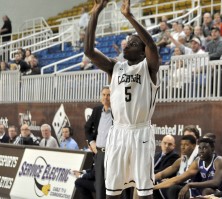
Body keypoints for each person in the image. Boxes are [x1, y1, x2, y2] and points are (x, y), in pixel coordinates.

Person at [84, 0, 160, 198]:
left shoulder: (149, 68)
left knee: (144, 192)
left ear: (143, 51)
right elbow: (89, 51)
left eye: (134, 43)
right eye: (127, 42)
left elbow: (151, 44)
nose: (127, 45)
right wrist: (95, 14)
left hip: (140, 132)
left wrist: (129, 16)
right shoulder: (114, 66)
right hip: (118, 133)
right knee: (112, 191)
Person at [155, 138, 222, 199]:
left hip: (218, 191)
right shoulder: (198, 161)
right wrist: (154, 187)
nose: (201, 150)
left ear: (212, 149)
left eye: (205, 148)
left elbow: (215, 183)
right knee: (175, 189)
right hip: (201, 188)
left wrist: (190, 184)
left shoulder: (219, 160)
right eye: (200, 148)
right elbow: (179, 179)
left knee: (207, 191)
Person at [85, 86, 112, 199]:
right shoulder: (96, 110)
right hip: (100, 153)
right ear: (101, 97)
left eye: (108, 95)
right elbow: (87, 127)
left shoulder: (118, 112)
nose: (106, 97)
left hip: (113, 153)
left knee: (113, 184)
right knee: (100, 185)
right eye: (104, 95)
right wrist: (91, 142)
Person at [154, 135, 197, 199]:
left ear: (193, 146)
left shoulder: (197, 160)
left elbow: (178, 179)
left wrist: (154, 187)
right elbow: (162, 174)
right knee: (156, 183)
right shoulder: (180, 160)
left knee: (173, 189)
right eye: (182, 144)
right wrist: (149, 179)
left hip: (193, 186)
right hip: (181, 183)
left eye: (186, 145)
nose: (183, 147)